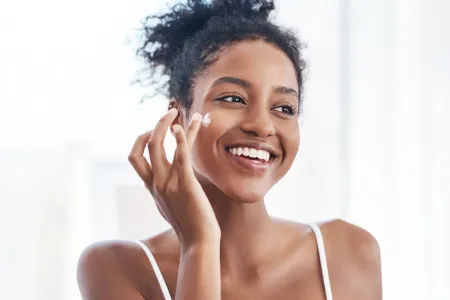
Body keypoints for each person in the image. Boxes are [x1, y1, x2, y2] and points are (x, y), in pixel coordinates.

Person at [77, 0, 382, 299]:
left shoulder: (348, 253)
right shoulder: (116, 268)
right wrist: (200, 244)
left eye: (284, 107)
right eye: (234, 99)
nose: (263, 126)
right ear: (177, 116)